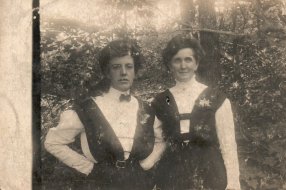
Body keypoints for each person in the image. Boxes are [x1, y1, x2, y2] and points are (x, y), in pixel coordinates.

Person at [44, 39, 155, 189]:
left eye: (129, 66)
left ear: (135, 71)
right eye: (116, 67)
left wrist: (148, 163)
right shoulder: (89, 108)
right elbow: (52, 142)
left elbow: (163, 138)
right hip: (102, 184)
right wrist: (89, 168)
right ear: (107, 72)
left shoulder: (144, 108)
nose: (123, 72)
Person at [141, 34, 241, 190]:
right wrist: (141, 165)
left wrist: (233, 184)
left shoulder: (216, 99)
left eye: (188, 59)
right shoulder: (163, 101)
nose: (183, 66)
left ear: (196, 63)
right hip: (172, 177)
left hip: (210, 177)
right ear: (170, 64)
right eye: (177, 60)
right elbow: (160, 141)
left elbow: (228, 145)